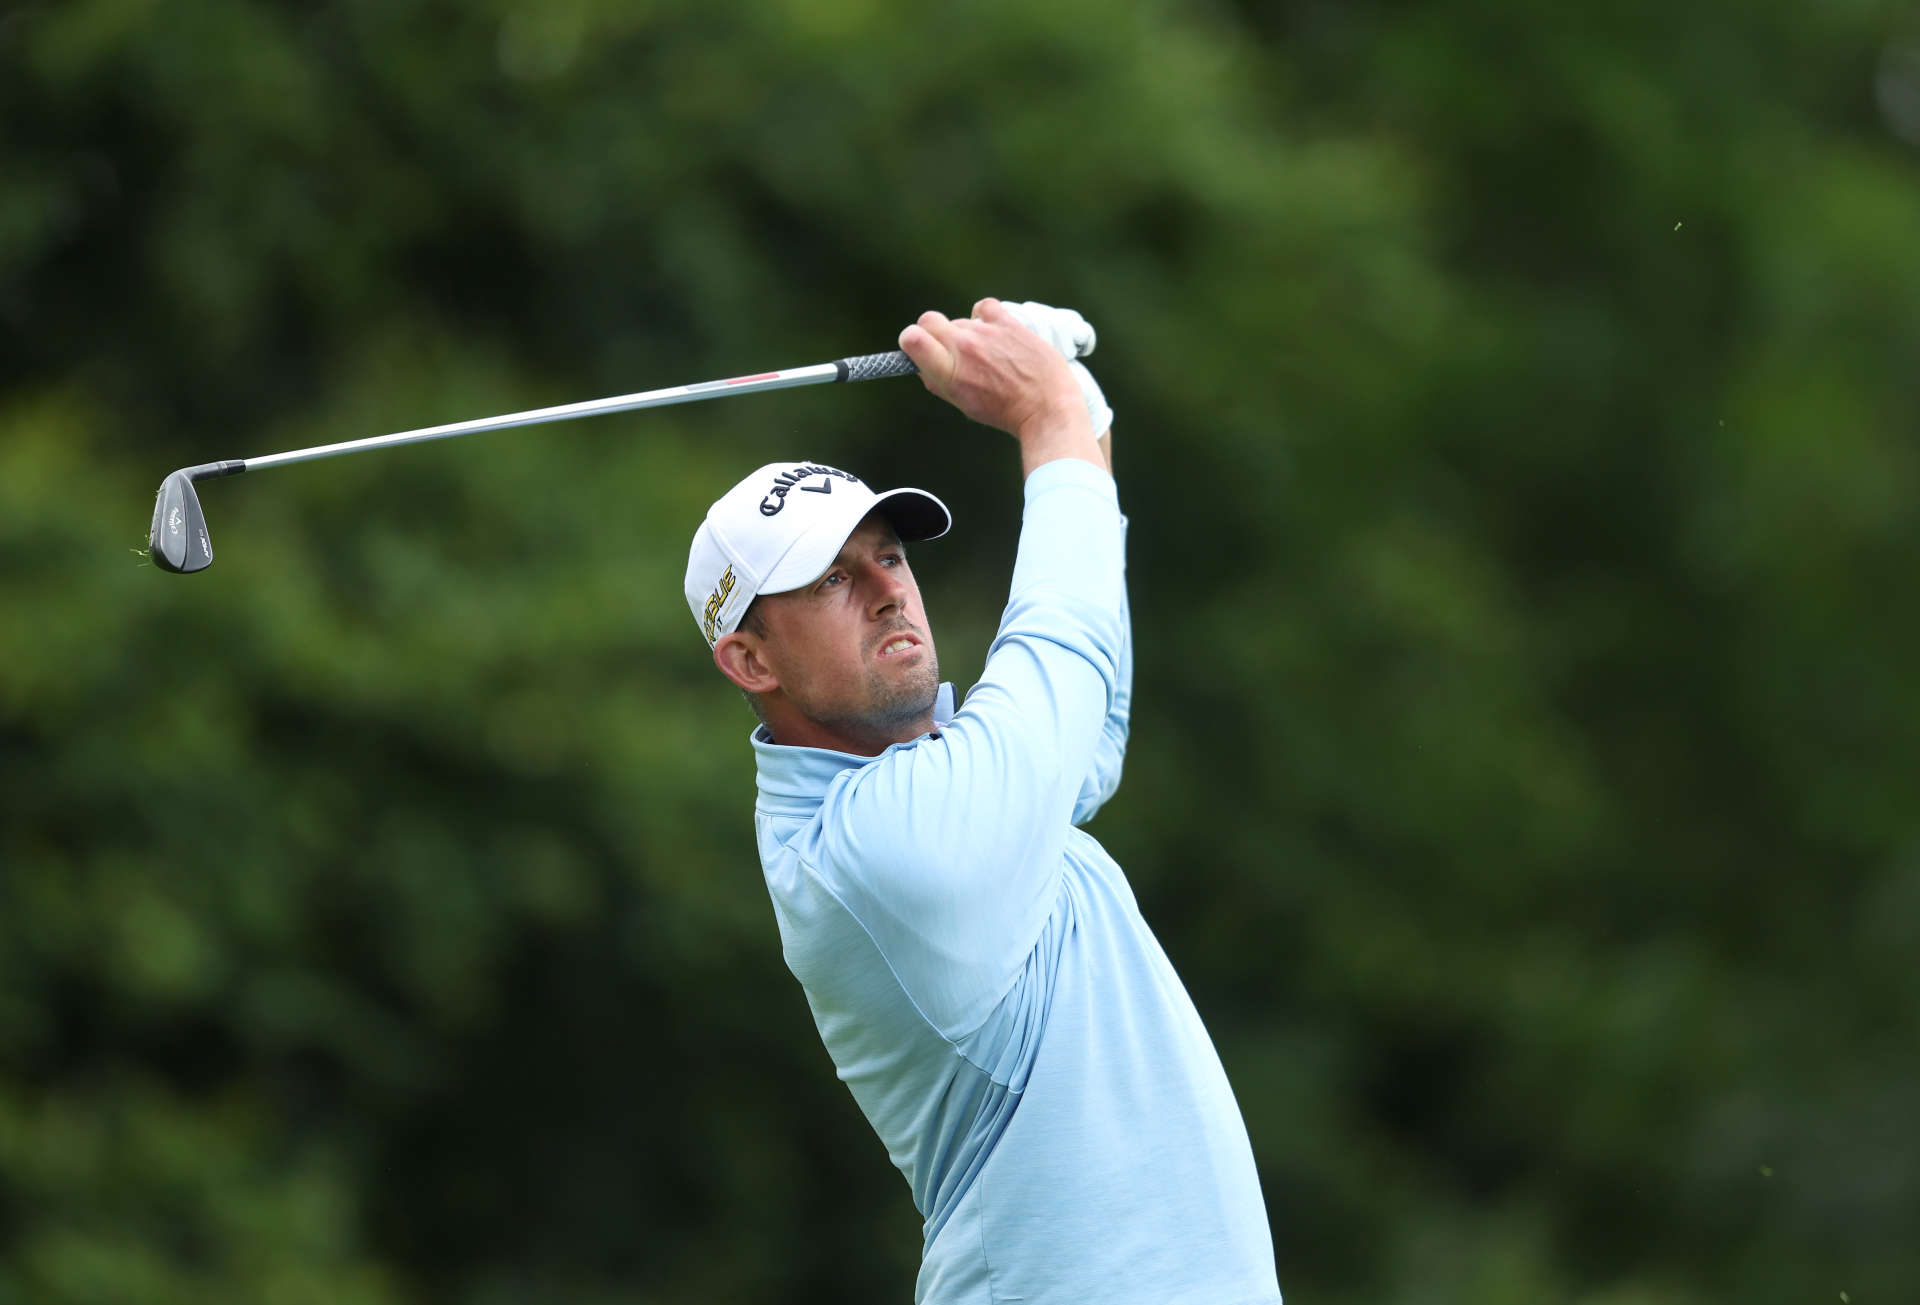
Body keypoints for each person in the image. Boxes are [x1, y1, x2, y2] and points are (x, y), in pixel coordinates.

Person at [682, 299, 1281, 1303]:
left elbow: (1079, 713)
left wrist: (1078, 415)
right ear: (747, 656)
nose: (884, 590)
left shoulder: (961, 791)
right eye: (828, 579)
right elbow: (1061, 652)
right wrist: (1049, 425)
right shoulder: (874, 849)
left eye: (889, 554)